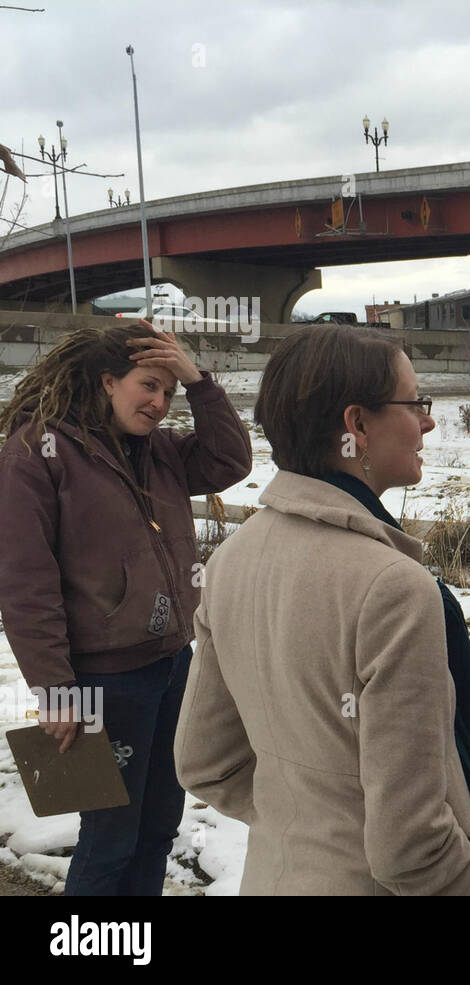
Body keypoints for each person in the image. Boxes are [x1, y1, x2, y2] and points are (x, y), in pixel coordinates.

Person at [174, 324, 470, 896]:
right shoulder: (394, 587)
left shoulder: (230, 560)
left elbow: (206, 763)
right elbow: (410, 850)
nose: (427, 422)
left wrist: (306, 819)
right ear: (358, 426)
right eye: (414, 403)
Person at [0, 322, 252, 895]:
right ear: (107, 381)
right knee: (110, 836)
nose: (160, 403)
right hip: (99, 679)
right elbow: (24, 583)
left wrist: (200, 384)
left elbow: (230, 461)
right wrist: (55, 690)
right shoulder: (37, 452)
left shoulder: (160, 450)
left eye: (168, 391)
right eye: (149, 386)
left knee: (159, 826)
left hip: (172, 665)